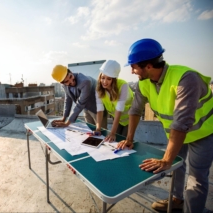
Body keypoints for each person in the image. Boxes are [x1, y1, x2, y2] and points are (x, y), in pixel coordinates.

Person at [117, 38, 213, 213]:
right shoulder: (144, 83)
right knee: (178, 166)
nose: (132, 71)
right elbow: (135, 111)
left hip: (204, 132)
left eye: (134, 66)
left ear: (148, 66)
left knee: (196, 178)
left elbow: (181, 123)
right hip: (177, 134)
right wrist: (129, 139)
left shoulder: (185, 78)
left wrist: (166, 160)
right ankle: (176, 200)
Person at [51, 65, 108, 129]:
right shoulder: (64, 86)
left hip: (98, 109)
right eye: (67, 81)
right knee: (90, 130)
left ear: (71, 72)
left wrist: (67, 123)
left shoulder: (85, 81)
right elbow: (68, 100)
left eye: (70, 76)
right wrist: (64, 118)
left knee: (102, 132)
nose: (71, 81)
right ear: (62, 83)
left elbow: (80, 103)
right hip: (86, 108)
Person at [93, 60, 133, 141]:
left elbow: (119, 110)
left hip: (130, 119)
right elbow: (100, 110)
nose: (104, 82)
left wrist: (112, 133)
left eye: (109, 79)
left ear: (114, 79)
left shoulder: (123, 86)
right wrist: (98, 129)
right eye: (103, 78)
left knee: (124, 141)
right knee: (114, 141)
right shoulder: (99, 89)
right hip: (117, 119)